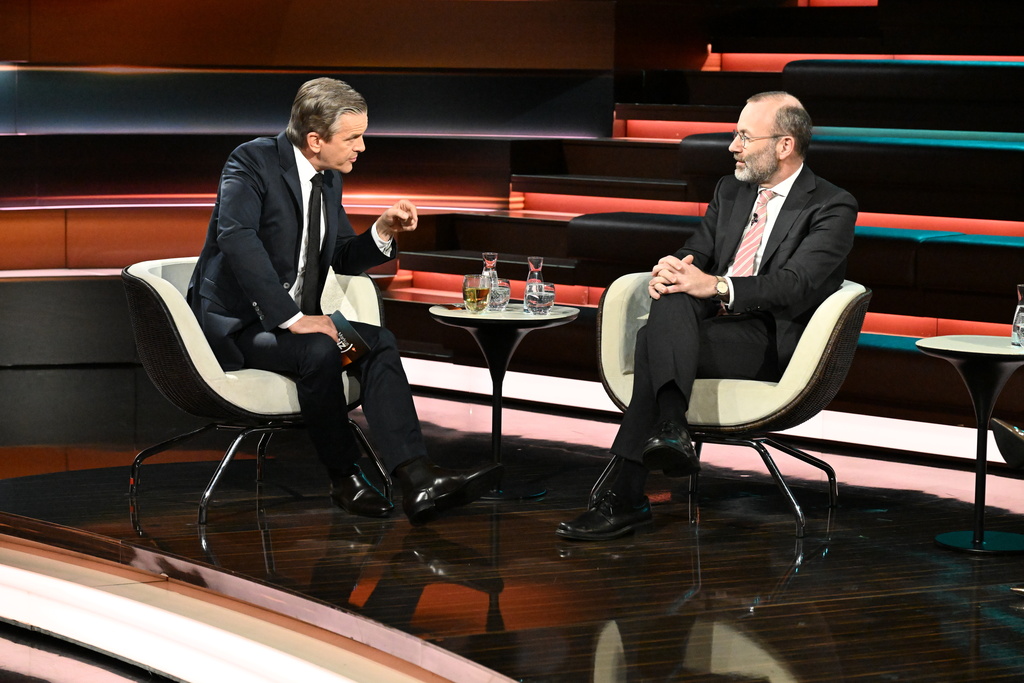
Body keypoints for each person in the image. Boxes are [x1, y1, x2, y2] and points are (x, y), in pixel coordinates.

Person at [187, 77, 501, 524]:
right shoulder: (252, 161)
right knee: (318, 349)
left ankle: (418, 479)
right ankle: (345, 477)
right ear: (315, 139)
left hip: (296, 326)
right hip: (241, 327)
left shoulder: (328, 179)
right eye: (352, 138)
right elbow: (236, 238)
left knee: (379, 343)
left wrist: (382, 231)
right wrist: (292, 317)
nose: (362, 147)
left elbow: (339, 255)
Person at [557, 91, 858, 541]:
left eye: (744, 137)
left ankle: (627, 494)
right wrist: (675, 269)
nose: (733, 147)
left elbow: (795, 284)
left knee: (650, 342)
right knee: (674, 296)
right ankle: (670, 430)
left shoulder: (832, 205)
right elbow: (698, 250)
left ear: (784, 145)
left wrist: (717, 286)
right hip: (705, 325)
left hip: (767, 337)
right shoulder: (730, 190)